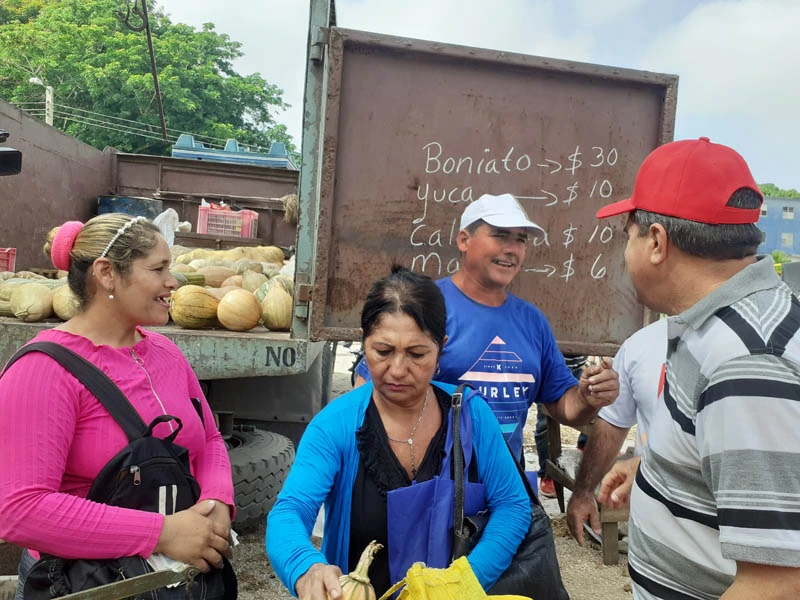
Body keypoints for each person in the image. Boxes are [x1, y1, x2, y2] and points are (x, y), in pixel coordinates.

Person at [595, 137, 800, 598]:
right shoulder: (713, 327)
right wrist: (659, 468)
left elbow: (781, 582)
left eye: (628, 235)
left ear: (656, 242)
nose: (625, 252)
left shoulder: (748, 363)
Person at [0, 214, 235, 598]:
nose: (172, 282)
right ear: (107, 273)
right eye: (158, 269)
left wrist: (217, 500)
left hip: (168, 582)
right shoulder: (43, 371)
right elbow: (21, 509)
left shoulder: (166, 353)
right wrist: (162, 533)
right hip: (84, 583)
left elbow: (208, 438)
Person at [266, 266, 532, 599]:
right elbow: (290, 511)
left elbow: (512, 506)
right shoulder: (335, 425)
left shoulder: (472, 417)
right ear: (363, 343)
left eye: (417, 354)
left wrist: (463, 585)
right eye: (383, 351)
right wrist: (305, 567)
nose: (398, 370)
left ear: (441, 349)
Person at [355, 193, 620, 499]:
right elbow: (367, 392)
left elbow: (565, 406)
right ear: (464, 240)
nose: (512, 249)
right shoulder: (423, 305)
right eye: (500, 236)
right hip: (424, 486)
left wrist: (589, 395)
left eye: (520, 240)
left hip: (502, 487)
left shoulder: (532, 321)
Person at [565, 318, 666, 545]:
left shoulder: (745, 337)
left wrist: (648, 464)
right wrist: (583, 491)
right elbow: (613, 423)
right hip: (650, 523)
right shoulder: (641, 344)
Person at [534, 354, 588, 498]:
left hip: (579, 366)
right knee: (545, 421)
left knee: (595, 407)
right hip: (550, 367)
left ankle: (584, 447)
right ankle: (547, 473)